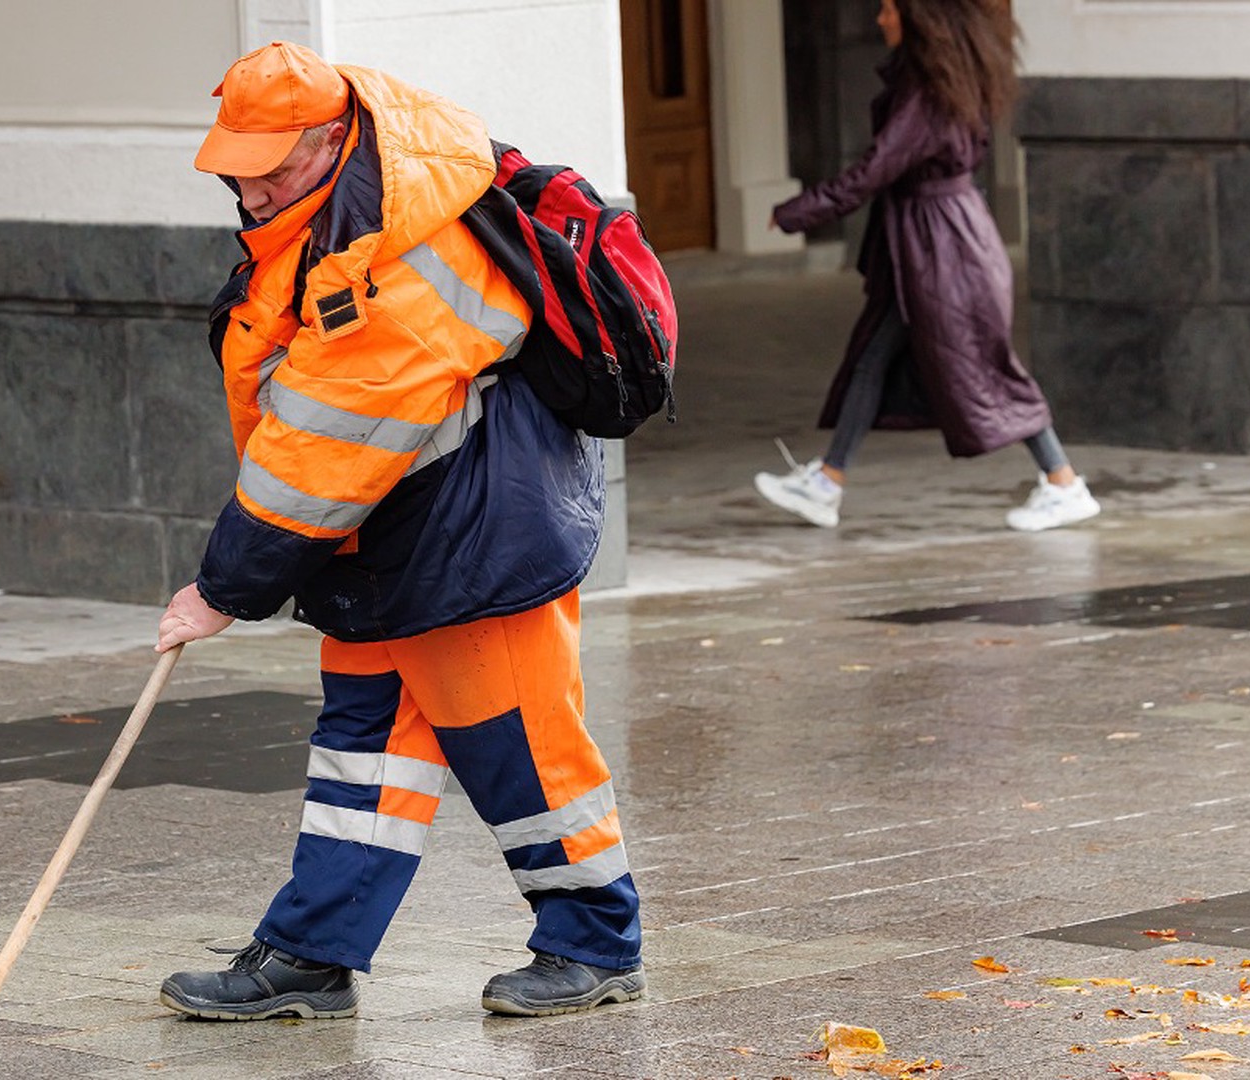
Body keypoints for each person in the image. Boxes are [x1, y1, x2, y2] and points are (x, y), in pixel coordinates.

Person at [152, 42, 643, 1021]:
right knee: (364, 748)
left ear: (331, 138)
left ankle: (596, 944)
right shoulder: (333, 207)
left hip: (472, 538)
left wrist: (223, 589)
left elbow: (323, 446)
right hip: (390, 539)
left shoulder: (398, 248)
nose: (250, 190)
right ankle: (312, 952)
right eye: (236, 169)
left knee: (522, 749)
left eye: (270, 167)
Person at [756, 0, 1100, 533]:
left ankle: (1064, 483)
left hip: (941, 248)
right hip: (934, 242)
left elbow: (875, 168)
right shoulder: (943, 78)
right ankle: (826, 481)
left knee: (986, 365)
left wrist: (800, 211)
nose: (880, 19)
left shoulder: (927, 89)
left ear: (918, 18)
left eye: (888, 9)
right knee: (876, 358)